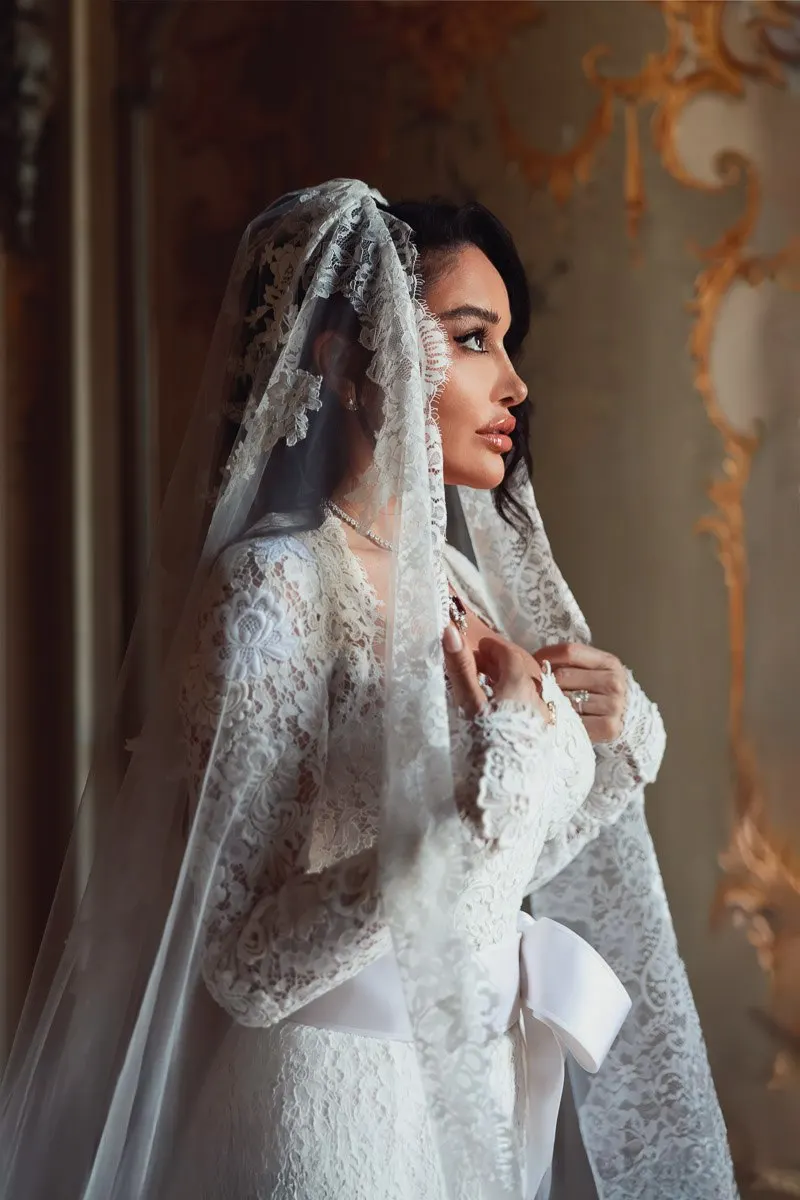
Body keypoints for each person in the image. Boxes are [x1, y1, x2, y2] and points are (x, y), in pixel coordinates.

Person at [0, 180, 737, 1199]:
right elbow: (246, 967)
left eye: (507, 343)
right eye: (473, 339)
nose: (516, 383)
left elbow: (497, 862)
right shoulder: (274, 588)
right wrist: (478, 800)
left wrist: (615, 745)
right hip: (332, 1118)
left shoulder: (460, 583)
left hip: (473, 1099)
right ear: (345, 362)